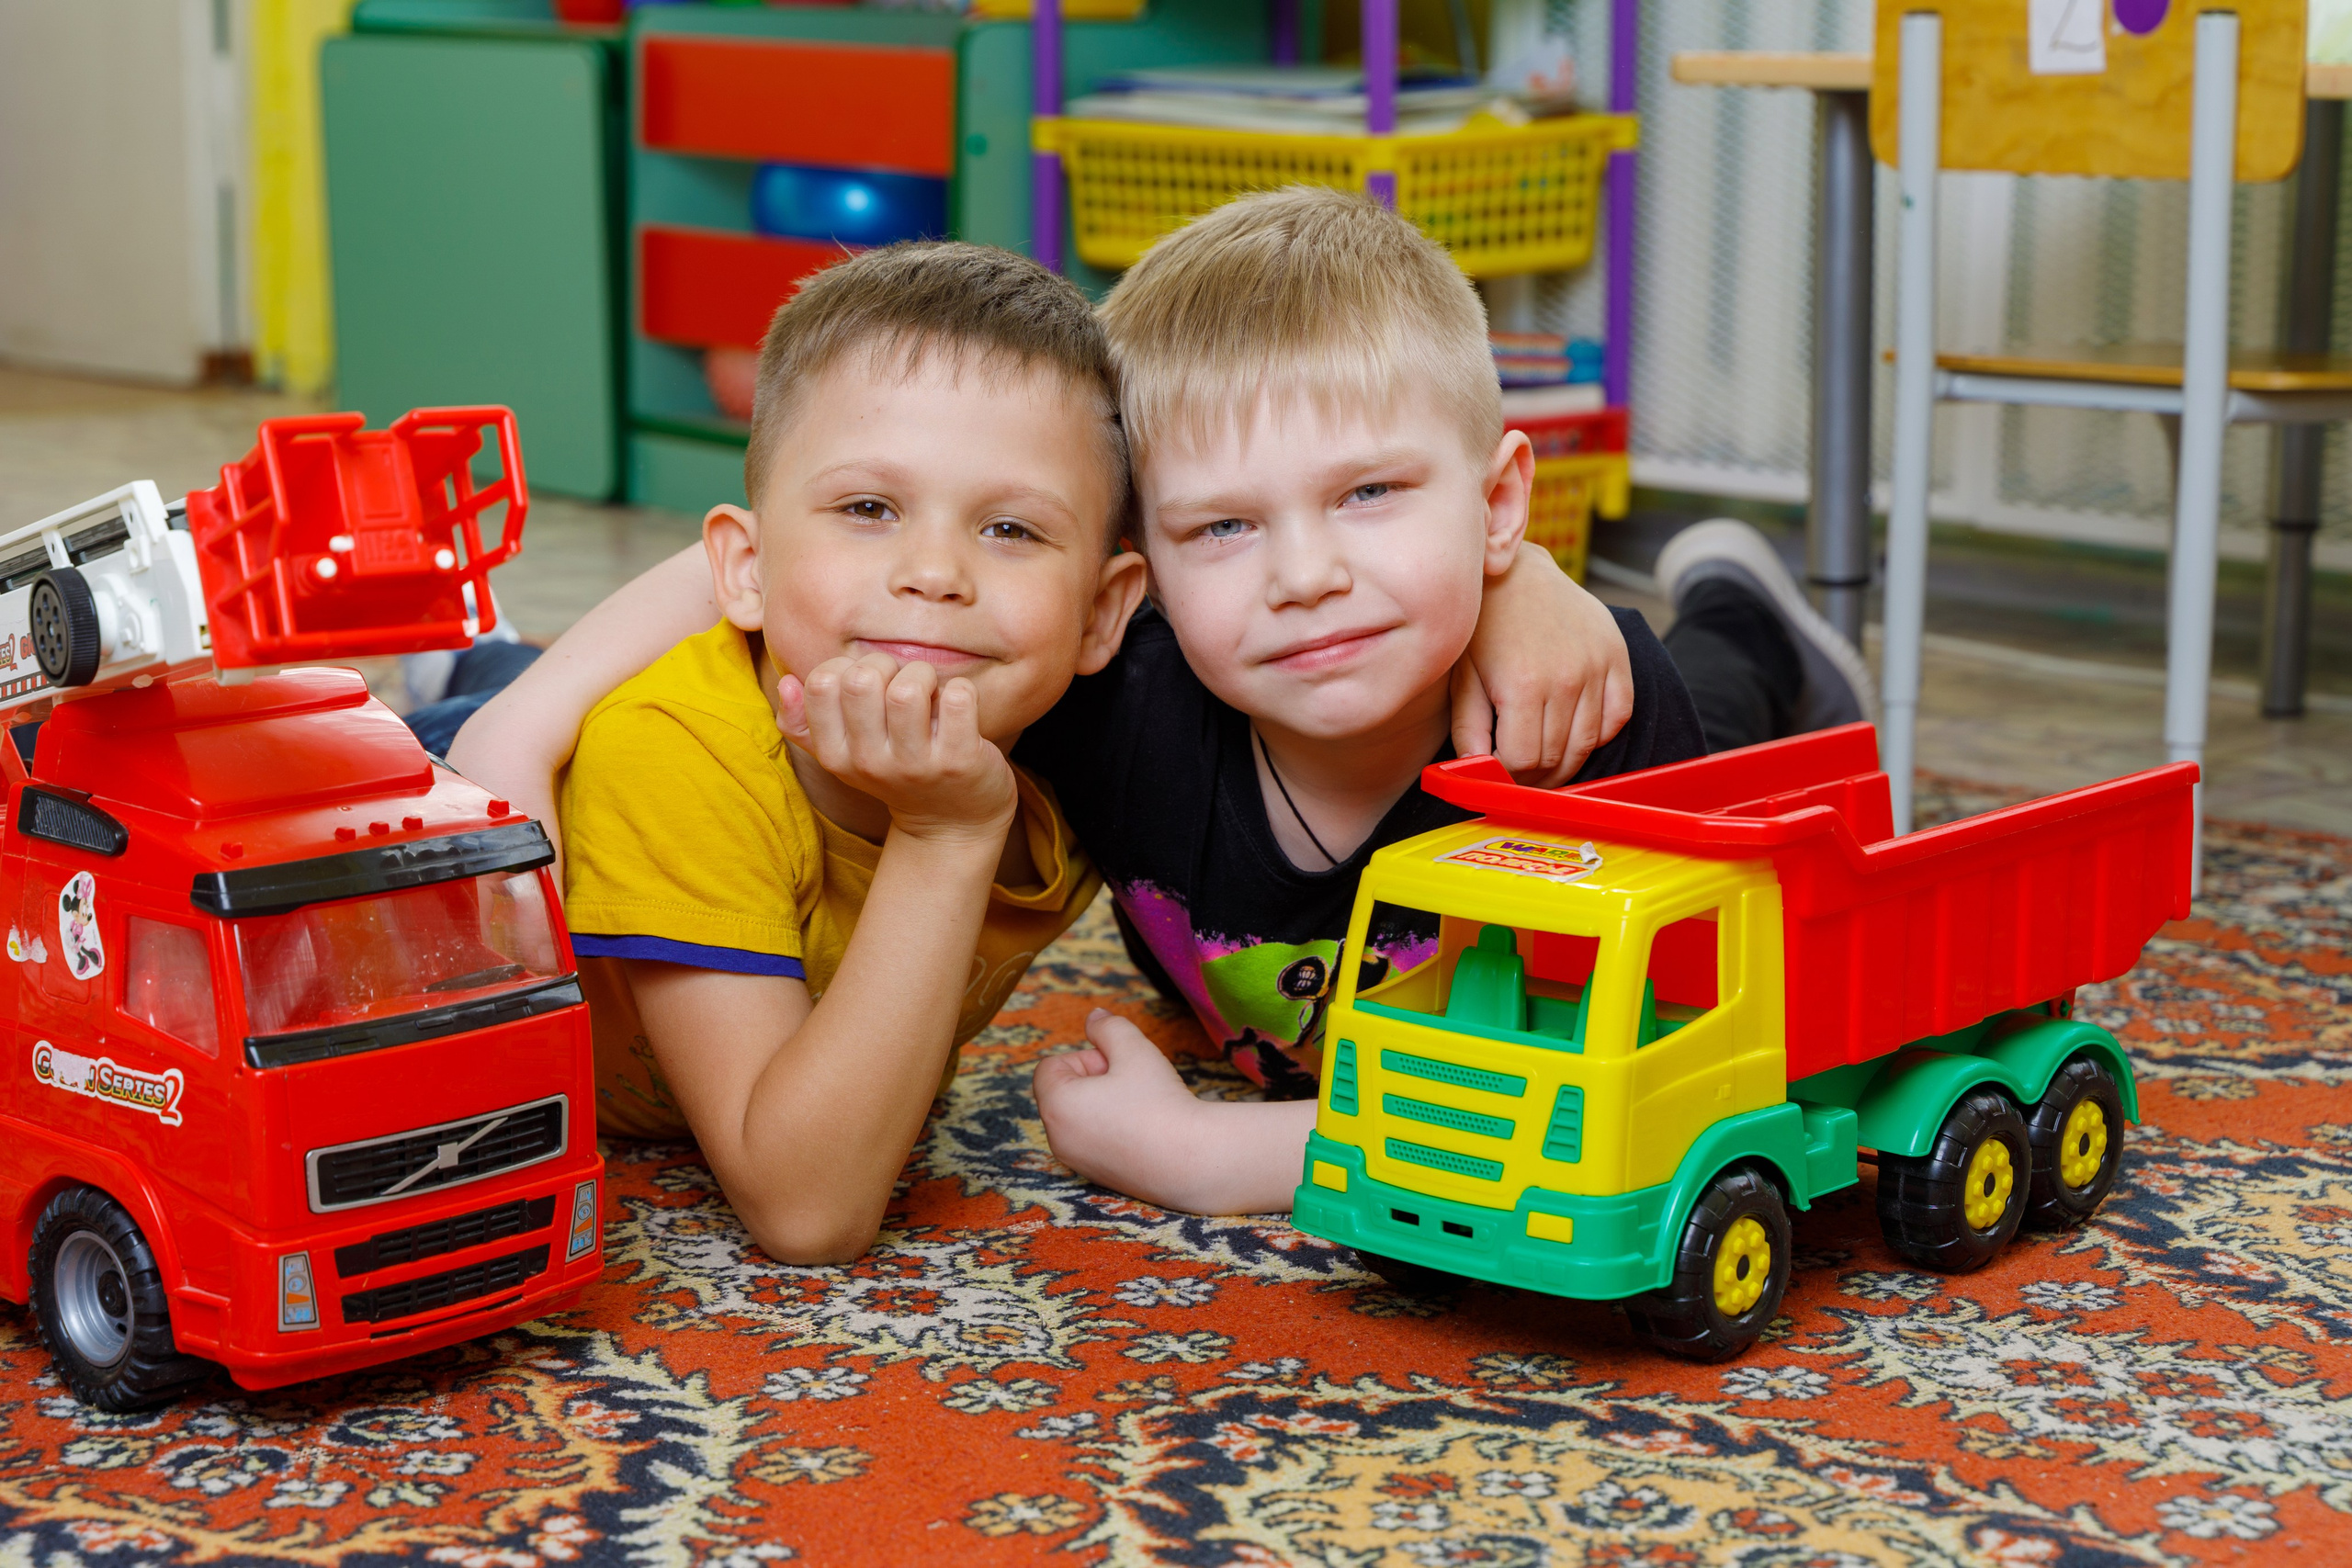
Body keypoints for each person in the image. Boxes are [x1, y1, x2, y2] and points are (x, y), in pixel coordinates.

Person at [445, 233, 1625, 1264]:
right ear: (742, 565)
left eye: (1010, 529)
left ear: (1108, 611)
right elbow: (808, 1211)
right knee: (442, 720)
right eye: (870, 510)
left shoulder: (1067, 698)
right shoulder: (680, 754)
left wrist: (1512, 575)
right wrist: (946, 829)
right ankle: (478, 672)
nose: (937, 573)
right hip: (458, 792)